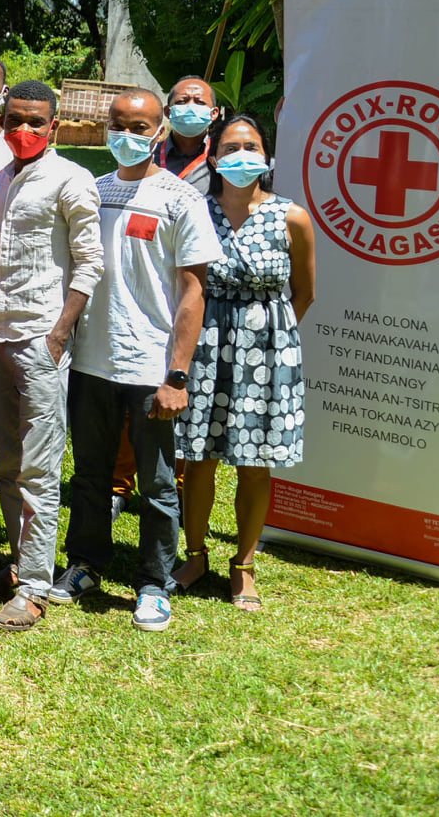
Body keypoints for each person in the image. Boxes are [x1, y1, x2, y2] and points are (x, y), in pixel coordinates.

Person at [59, 87, 222, 632]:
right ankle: (85, 563)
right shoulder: (93, 191)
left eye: (140, 127)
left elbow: (192, 292)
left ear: (159, 132)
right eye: (119, 125)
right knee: (89, 475)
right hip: (90, 361)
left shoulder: (181, 199)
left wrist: (177, 374)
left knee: (154, 483)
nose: (127, 137)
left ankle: (154, 583)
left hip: (150, 368)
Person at [0, 80, 102, 631]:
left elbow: (90, 263)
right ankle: (21, 565)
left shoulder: (71, 179)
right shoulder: (2, 178)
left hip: (40, 339)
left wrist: (59, 332)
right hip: (0, 336)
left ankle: (34, 588)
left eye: (35, 122)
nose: (22, 131)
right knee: (6, 461)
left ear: (53, 127)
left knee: (40, 466)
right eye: (14, 121)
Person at [177, 115, 315, 612]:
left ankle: (244, 565)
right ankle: (194, 556)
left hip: (268, 355)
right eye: (230, 147)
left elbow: (304, 293)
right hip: (206, 347)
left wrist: (268, 339)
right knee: (199, 460)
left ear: (267, 156)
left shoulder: (291, 216)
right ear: (212, 157)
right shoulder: (195, 211)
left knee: (255, 464)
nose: (241, 156)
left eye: (251, 146)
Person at [154, 76, 220, 193]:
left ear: (214, 113)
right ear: (168, 112)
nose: (190, 107)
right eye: (182, 101)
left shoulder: (221, 157)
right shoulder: (151, 156)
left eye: (199, 102)